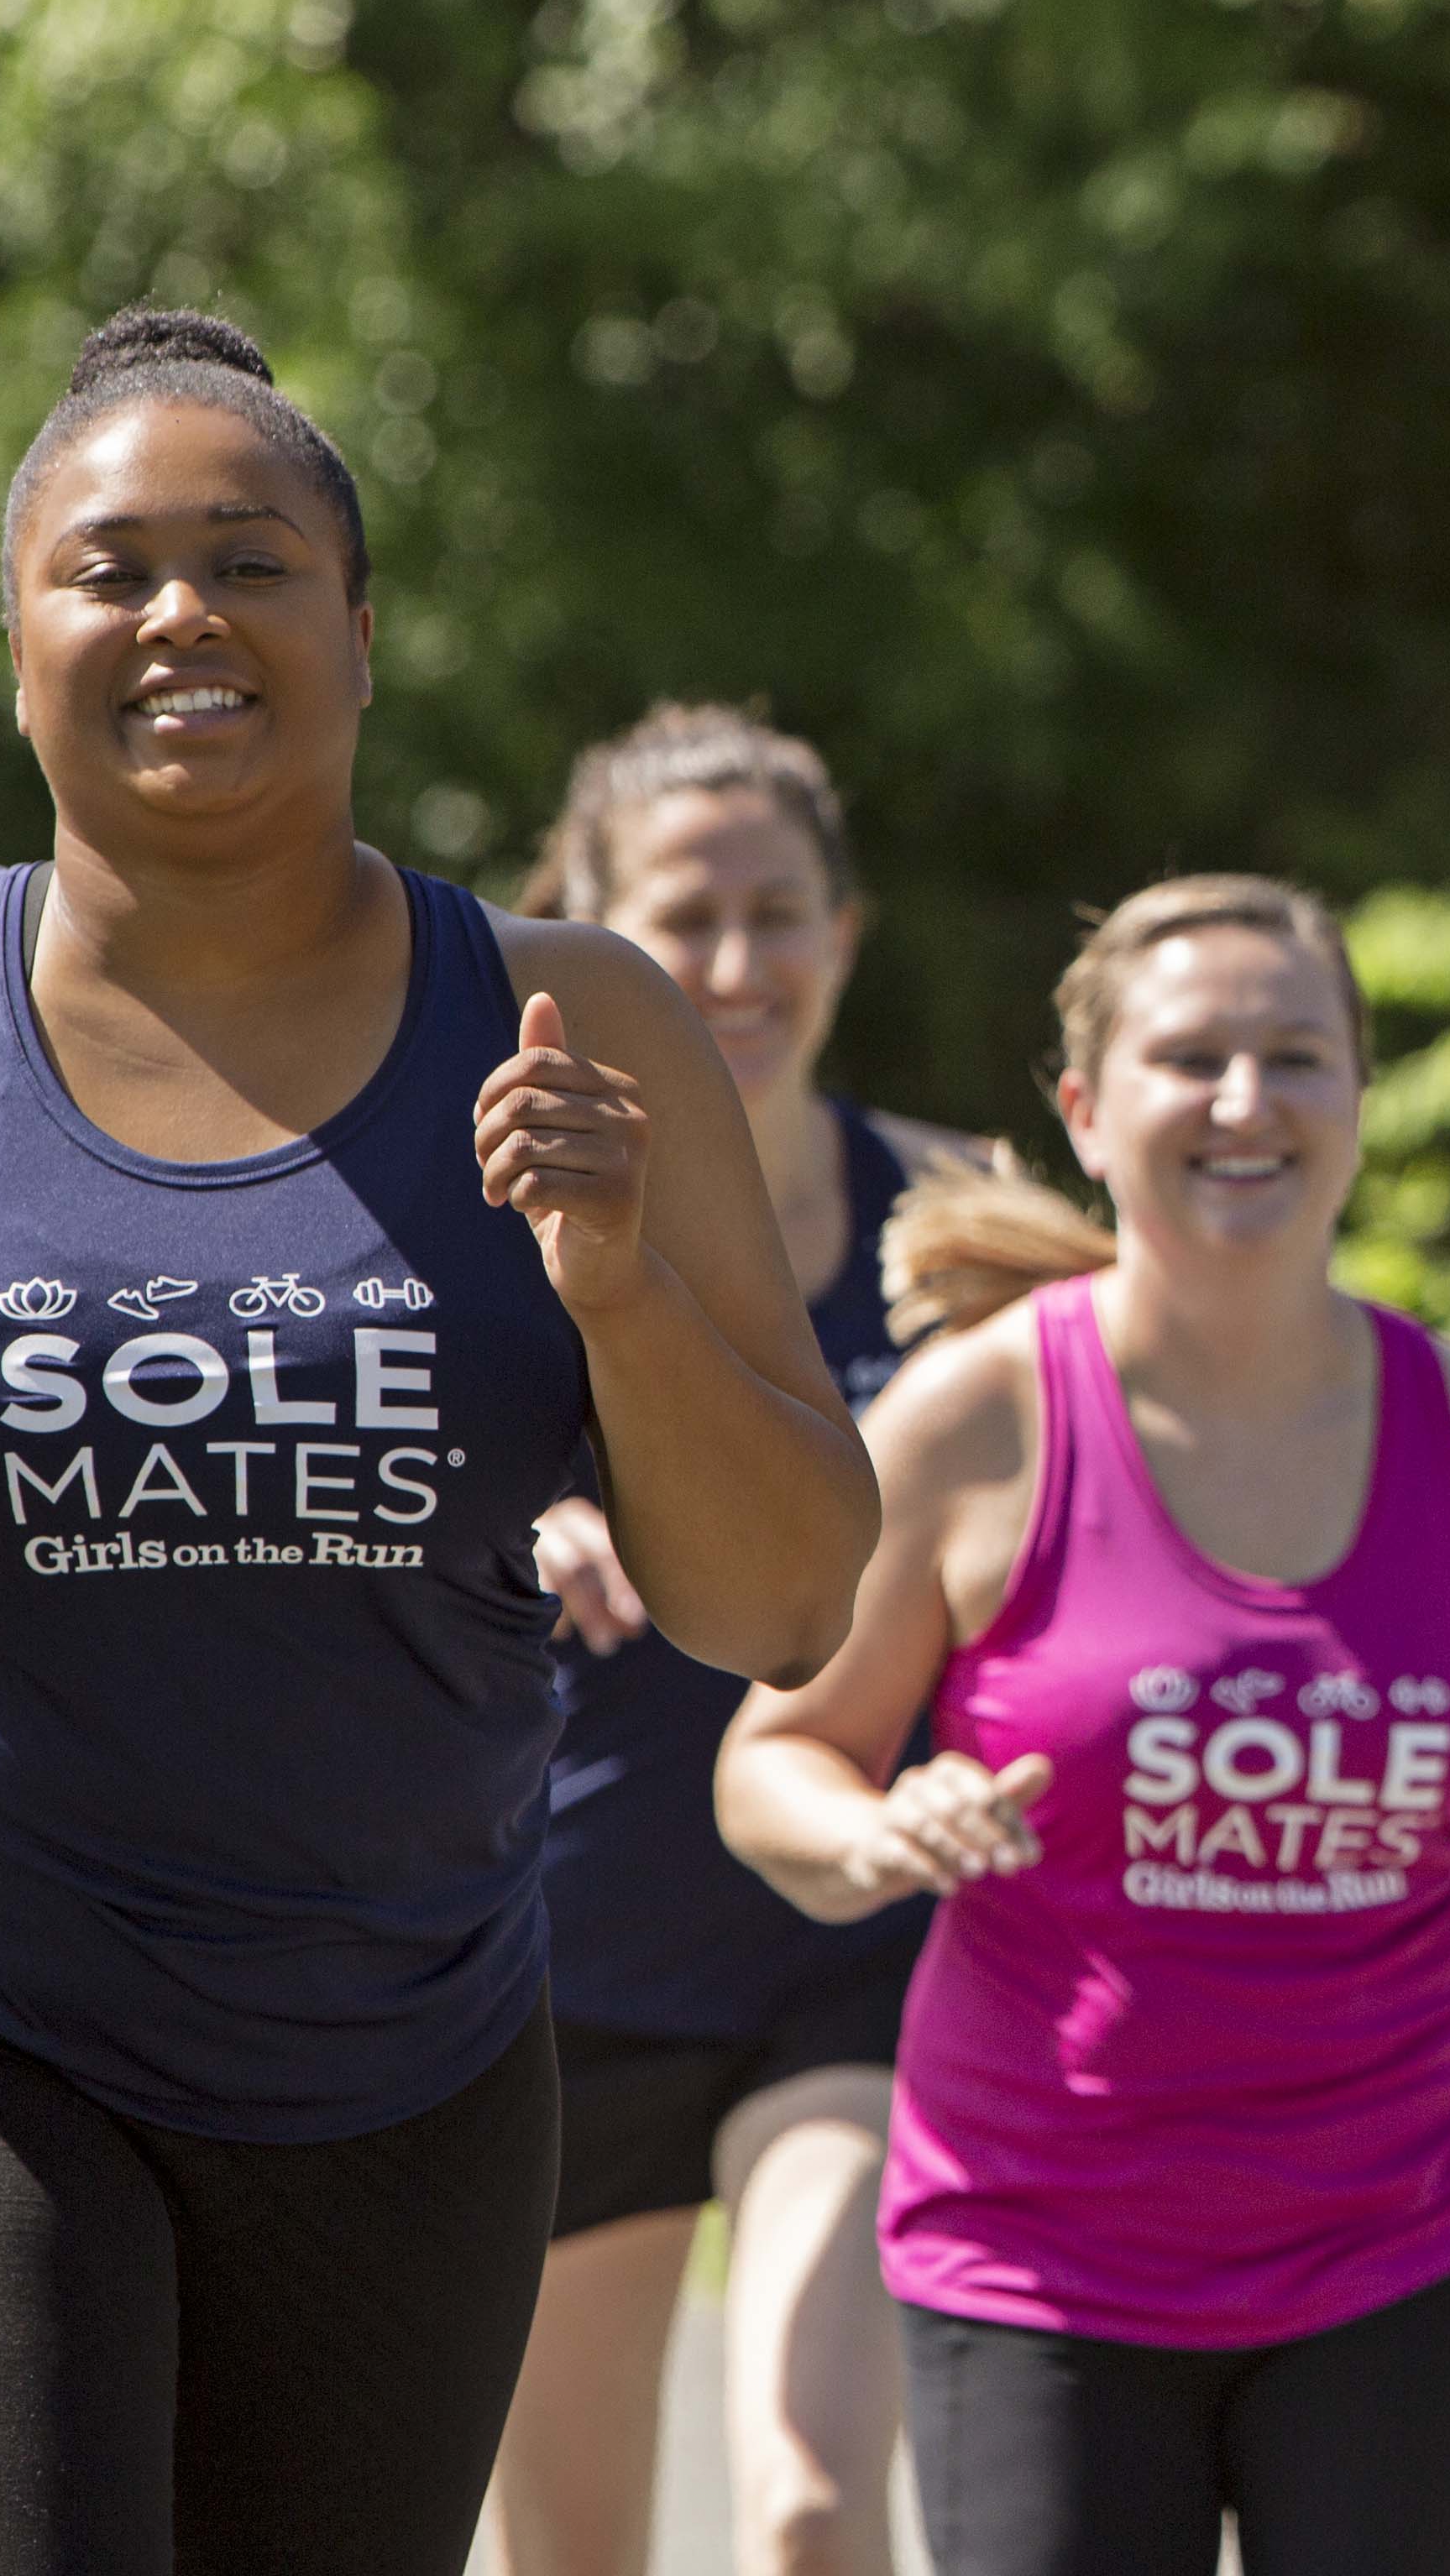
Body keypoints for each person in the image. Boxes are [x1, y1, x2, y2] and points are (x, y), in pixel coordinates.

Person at [0, 311, 878, 2576]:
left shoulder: (577, 1019)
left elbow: (783, 1604)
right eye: (110, 567)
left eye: (249, 562)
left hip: (397, 2051)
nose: (181, 618)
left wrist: (617, 1286)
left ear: (360, 627)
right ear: (15, 638)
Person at [717, 876, 1450, 2576]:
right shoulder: (978, 1423)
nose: (1247, 1101)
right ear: (1088, 1112)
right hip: (1042, 2256)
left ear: (1357, 1101)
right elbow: (773, 1760)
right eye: (1192, 1058)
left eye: (1297, 1056)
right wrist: (871, 1829)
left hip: (1399, 2249)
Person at [489, 707, 978, 2576]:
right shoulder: (496, 1219)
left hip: (850, 1955)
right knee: (578, 2554)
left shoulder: (970, 1219)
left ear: (847, 937)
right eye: (684, 917)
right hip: (564, 1959)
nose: (737, 965)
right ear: (592, 932)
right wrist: (524, 1510)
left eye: (782, 916)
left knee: (810, 2503)